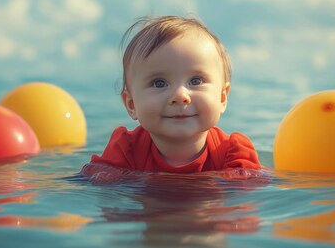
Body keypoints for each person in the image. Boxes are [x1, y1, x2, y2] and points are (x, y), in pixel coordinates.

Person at [84, 16, 262, 174]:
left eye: (196, 81)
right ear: (132, 105)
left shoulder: (233, 155)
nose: (180, 95)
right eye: (159, 83)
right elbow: (100, 195)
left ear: (222, 98)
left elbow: (244, 206)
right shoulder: (125, 150)